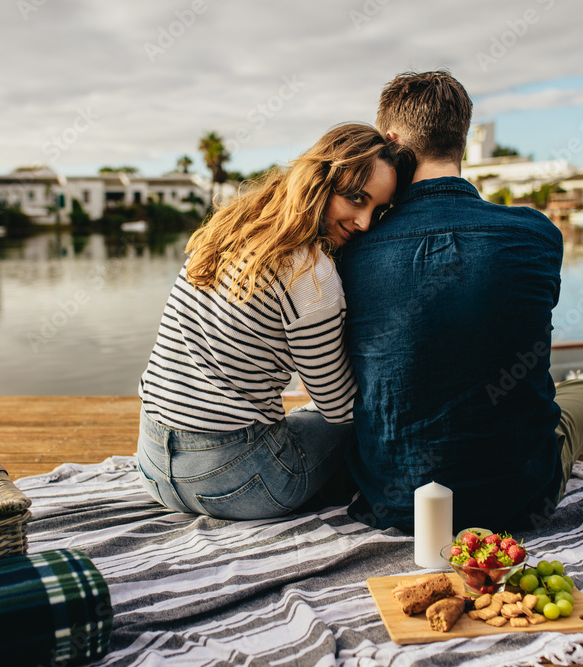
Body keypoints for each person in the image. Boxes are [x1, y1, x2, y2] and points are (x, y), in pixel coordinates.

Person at [338, 71, 583, 533]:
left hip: (392, 499)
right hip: (518, 499)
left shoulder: (352, 247)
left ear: (391, 141)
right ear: (461, 141)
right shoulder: (538, 233)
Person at [137, 123, 414, 520]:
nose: (365, 222)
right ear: (320, 181)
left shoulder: (233, 227)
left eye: (377, 210)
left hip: (152, 465)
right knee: (356, 425)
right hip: (239, 483)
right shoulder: (311, 275)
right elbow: (339, 407)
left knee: (302, 416)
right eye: (356, 199)